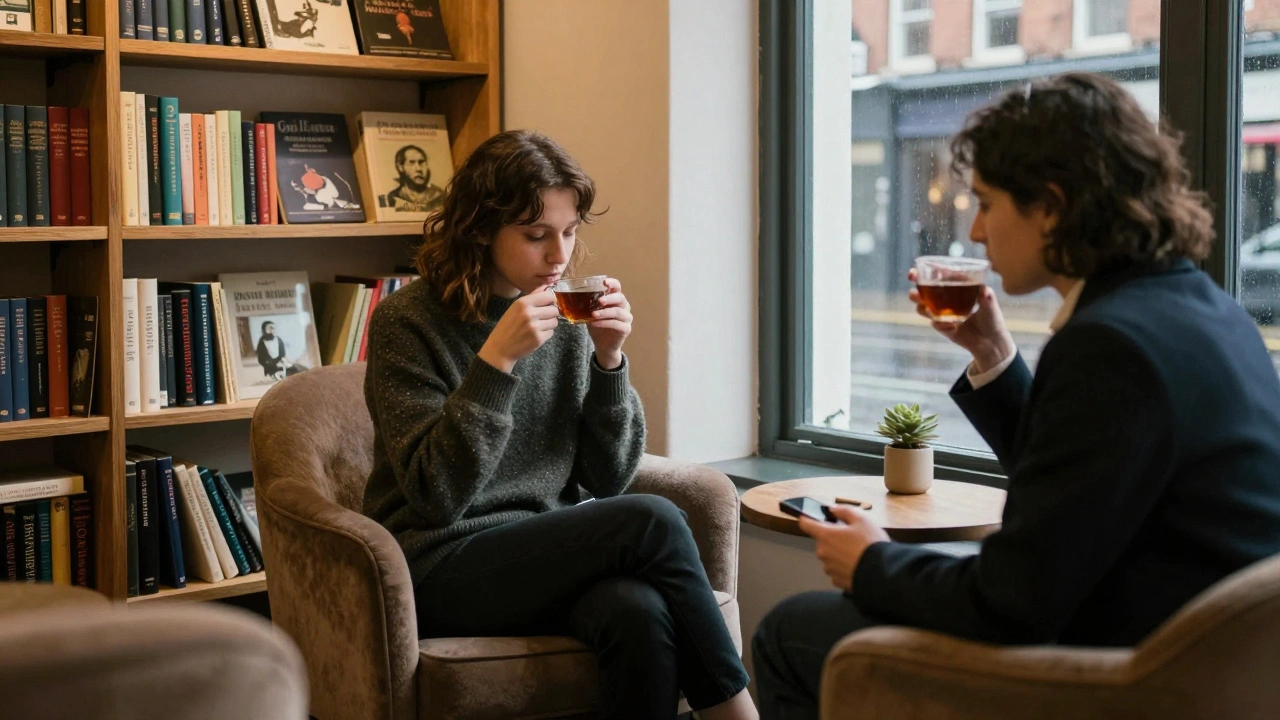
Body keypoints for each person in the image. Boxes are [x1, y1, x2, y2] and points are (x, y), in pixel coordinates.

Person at [752, 72, 1280, 719]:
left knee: (791, 631)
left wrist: (872, 564)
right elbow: (1082, 485)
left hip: (1127, 676)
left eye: (986, 202)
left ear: (1051, 206)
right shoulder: (1207, 312)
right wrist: (994, 357)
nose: (974, 232)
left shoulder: (1109, 345)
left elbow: (1013, 602)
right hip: (1205, 665)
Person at [361, 129, 756, 720]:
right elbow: (435, 496)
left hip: (543, 553)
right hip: (440, 565)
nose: (559, 255)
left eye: (569, 232)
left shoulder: (564, 315)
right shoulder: (405, 323)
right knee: (652, 519)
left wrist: (609, 361)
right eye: (536, 235)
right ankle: (738, 713)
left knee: (638, 612)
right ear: (478, 230)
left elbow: (608, 477)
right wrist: (496, 361)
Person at [386, 145, 445, 213]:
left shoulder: (439, 197)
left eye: (421, 162)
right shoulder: (392, 198)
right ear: (400, 167)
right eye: (411, 163)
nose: (418, 169)